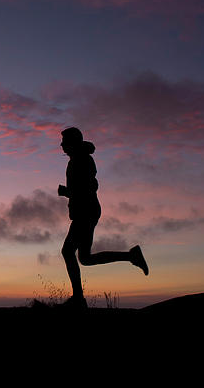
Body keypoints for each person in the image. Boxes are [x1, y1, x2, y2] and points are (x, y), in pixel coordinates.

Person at [57, 127, 148, 308]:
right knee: (84, 258)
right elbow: (88, 187)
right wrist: (71, 193)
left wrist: (67, 192)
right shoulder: (79, 159)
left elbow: (88, 188)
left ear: (72, 142)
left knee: (68, 252)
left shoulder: (81, 160)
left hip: (86, 212)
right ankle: (131, 256)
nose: (61, 145)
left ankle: (78, 299)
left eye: (64, 141)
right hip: (87, 211)